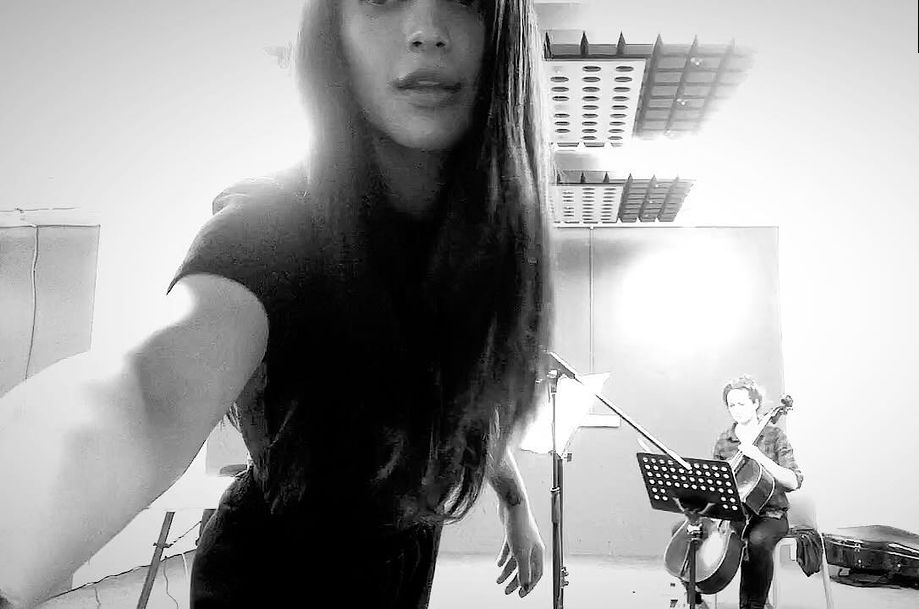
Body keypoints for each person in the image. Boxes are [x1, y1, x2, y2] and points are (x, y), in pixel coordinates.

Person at [0, 0, 552, 607]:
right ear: (333, 31)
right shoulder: (272, 223)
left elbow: (464, 404)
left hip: (401, 564)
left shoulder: (472, 259)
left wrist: (517, 505)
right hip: (277, 573)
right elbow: (148, 393)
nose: (427, 30)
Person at [680, 375, 803, 609]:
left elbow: (793, 481)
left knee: (757, 541)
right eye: (731, 405)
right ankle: (695, 599)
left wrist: (758, 456)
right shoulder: (725, 440)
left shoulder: (774, 436)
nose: (736, 409)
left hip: (770, 515)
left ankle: (754, 605)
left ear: (756, 403)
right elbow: (714, 485)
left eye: (742, 403)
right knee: (686, 532)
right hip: (733, 514)